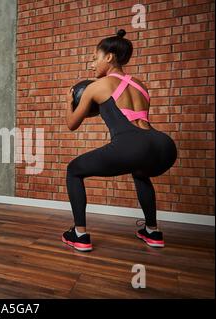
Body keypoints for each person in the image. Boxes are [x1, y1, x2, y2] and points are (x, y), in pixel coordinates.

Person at [63, 29, 177, 252]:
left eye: (95, 58)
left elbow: (72, 124)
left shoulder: (97, 87)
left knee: (73, 170)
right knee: (140, 171)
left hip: (133, 144)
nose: (91, 64)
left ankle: (79, 235)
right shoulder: (140, 85)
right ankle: (152, 231)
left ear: (109, 57)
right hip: (163, 145)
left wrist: (69, 102)